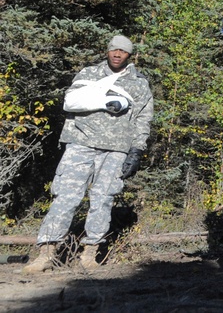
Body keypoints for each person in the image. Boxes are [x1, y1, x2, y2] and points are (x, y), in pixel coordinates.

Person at [23, 35, 153, 274]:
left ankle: (90, 253)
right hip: (80, 142)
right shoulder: (88, 73)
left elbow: (143, 119)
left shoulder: (139, 83)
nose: (117, 54)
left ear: (129, 55)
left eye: (122, 51)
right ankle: (46, 253)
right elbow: (71, 101)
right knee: (66, 196)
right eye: (113, 49)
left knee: (103, 199)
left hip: (116, 148)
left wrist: (136, 151)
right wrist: (105, 101)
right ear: (107, 50)